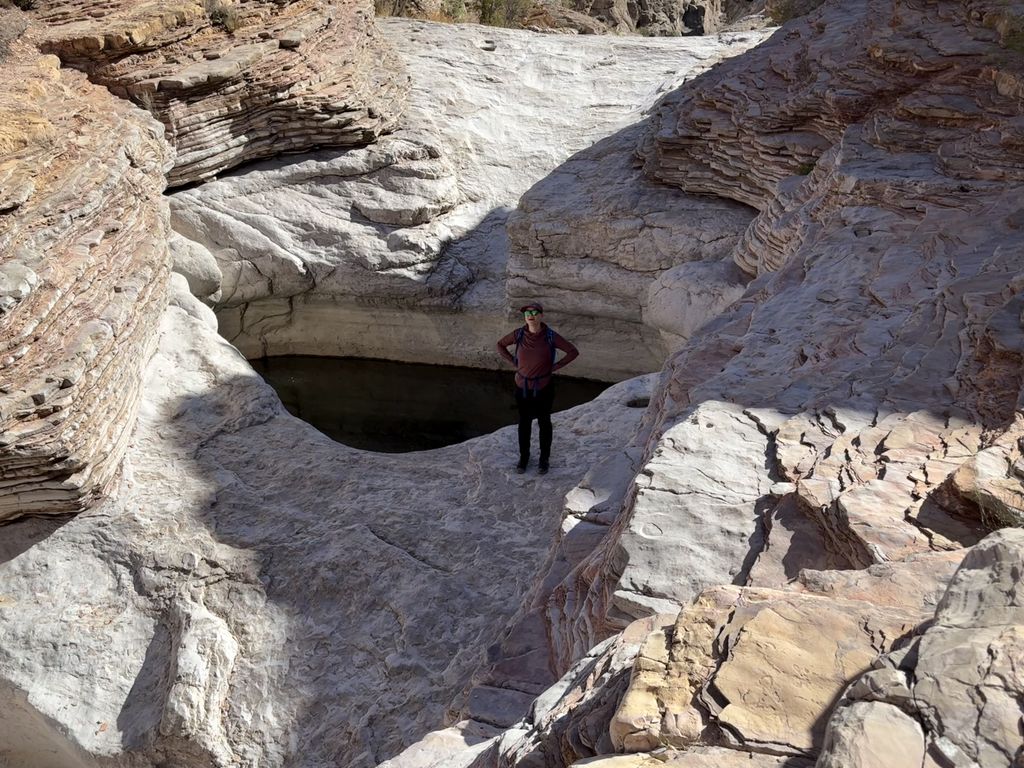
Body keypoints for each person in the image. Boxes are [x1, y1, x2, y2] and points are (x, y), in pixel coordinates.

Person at [496, 302, 578, 474]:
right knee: (524, 423)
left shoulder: (550, 336)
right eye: (527, 313)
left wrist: (555, 367)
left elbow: (572, 351)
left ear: (541, 315)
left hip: (544, 386)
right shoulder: (518, 334)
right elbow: (500, 345)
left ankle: (544, 460)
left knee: (544, 422)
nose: (530, 316)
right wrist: (513, 362)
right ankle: (524, 458)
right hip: (522, 386)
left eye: (534, 312)